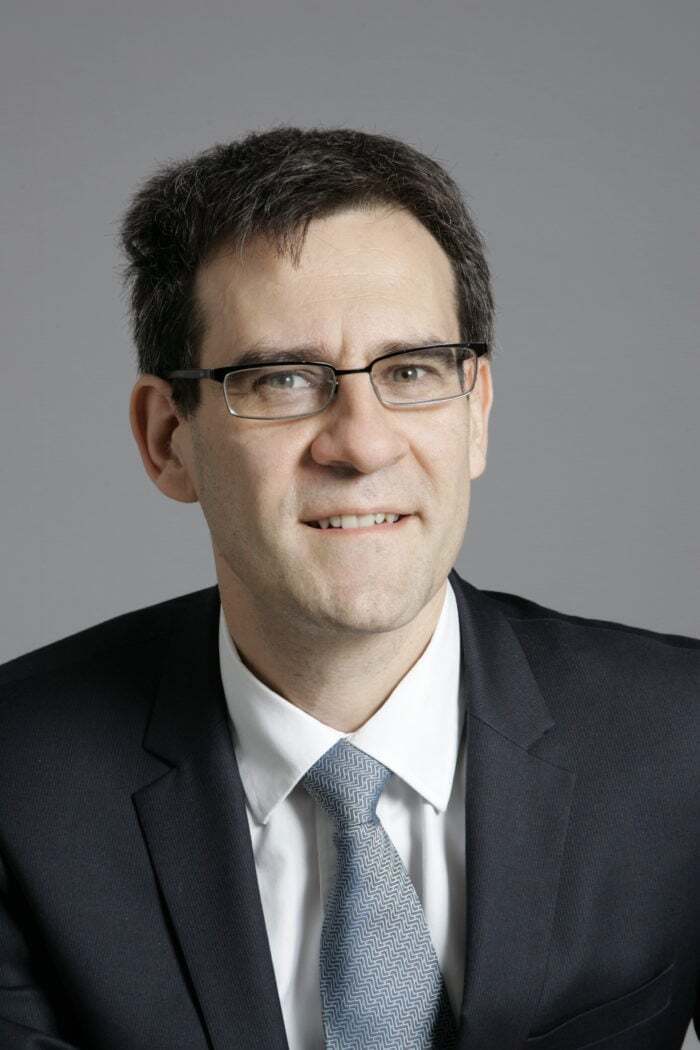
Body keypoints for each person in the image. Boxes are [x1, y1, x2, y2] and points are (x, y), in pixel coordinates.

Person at [0, 126, 697, 1050]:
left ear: (477, 413)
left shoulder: (683, 741)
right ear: (169, 438)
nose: (362, 444)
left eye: (411, 371)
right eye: (284, 379)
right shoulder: (17, 785)